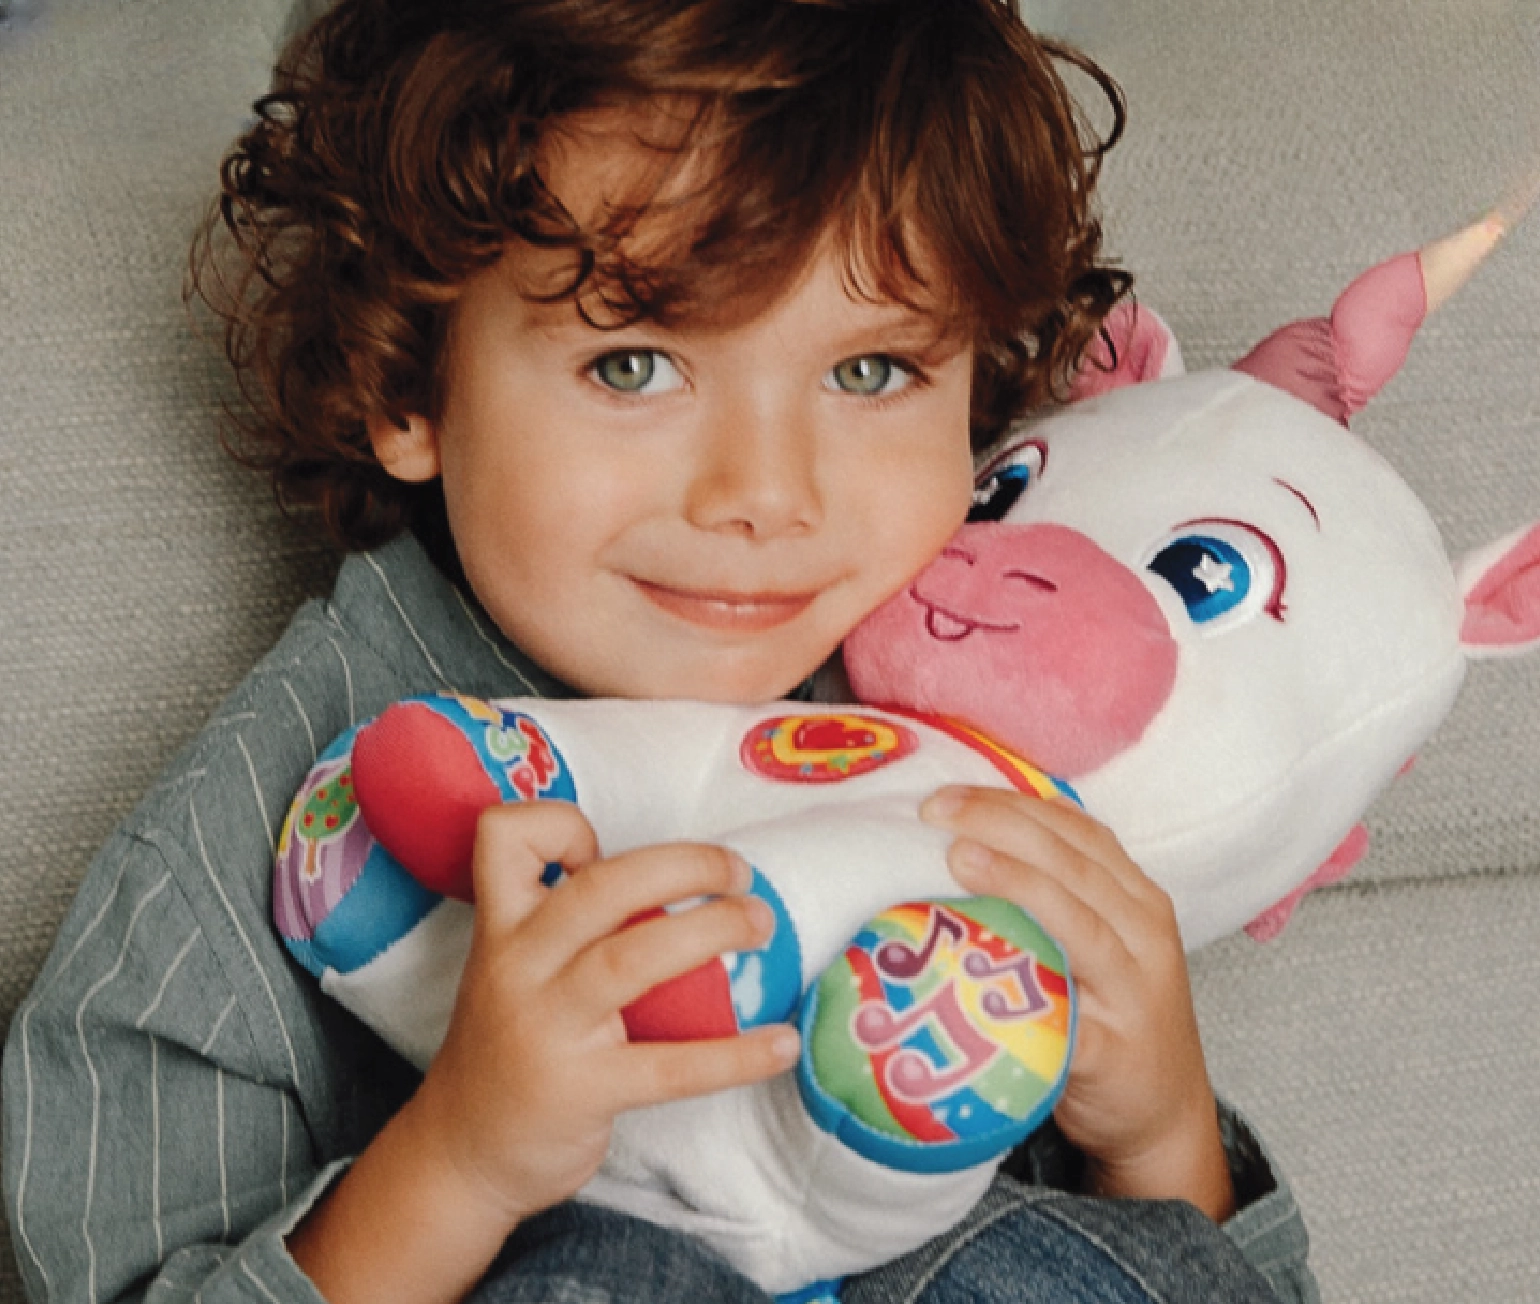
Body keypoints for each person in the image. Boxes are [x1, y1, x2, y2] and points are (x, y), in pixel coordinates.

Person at [2, 1, 1317, 1302]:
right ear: (407, 383)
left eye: (869, 373)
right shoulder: (227, 875)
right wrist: (459, 1163)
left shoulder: (960, 735)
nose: (765, 494)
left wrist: (1158, 1136)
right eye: (634, 367)